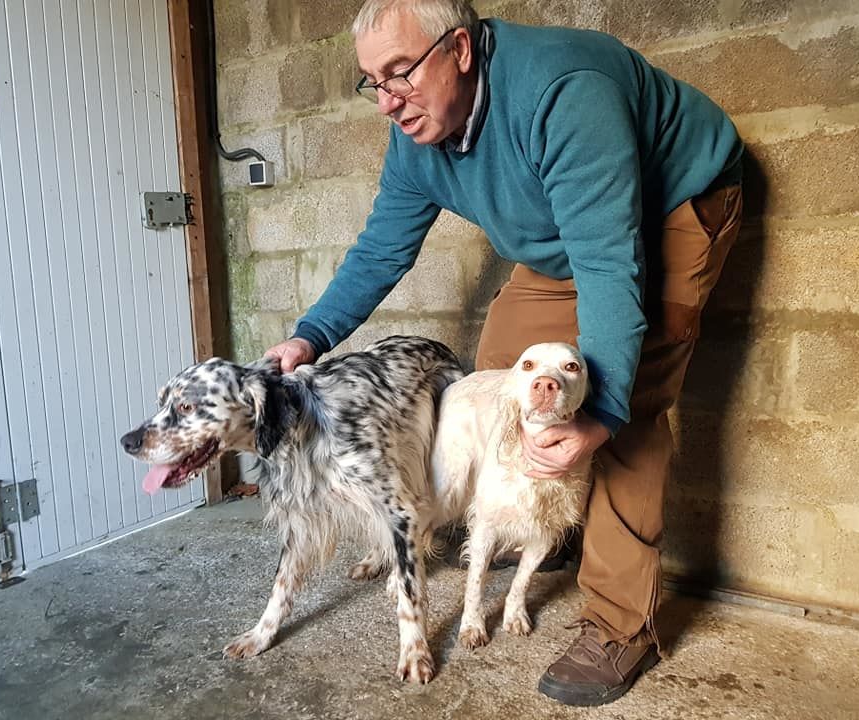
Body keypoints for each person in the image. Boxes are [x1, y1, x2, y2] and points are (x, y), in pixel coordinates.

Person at [264, 0, 743, 706]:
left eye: (399, 72)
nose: (385, 102)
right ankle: (554, 516)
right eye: (373, 81)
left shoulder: (562, 92)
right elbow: (381, 250)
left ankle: (620, 624)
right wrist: (309, 337)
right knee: (503, 380)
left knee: (625, 402)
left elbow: (610, 265)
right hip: (563, 231)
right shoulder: (415, 132)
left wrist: (600, 413)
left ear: (459, 49)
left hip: (674, 205)